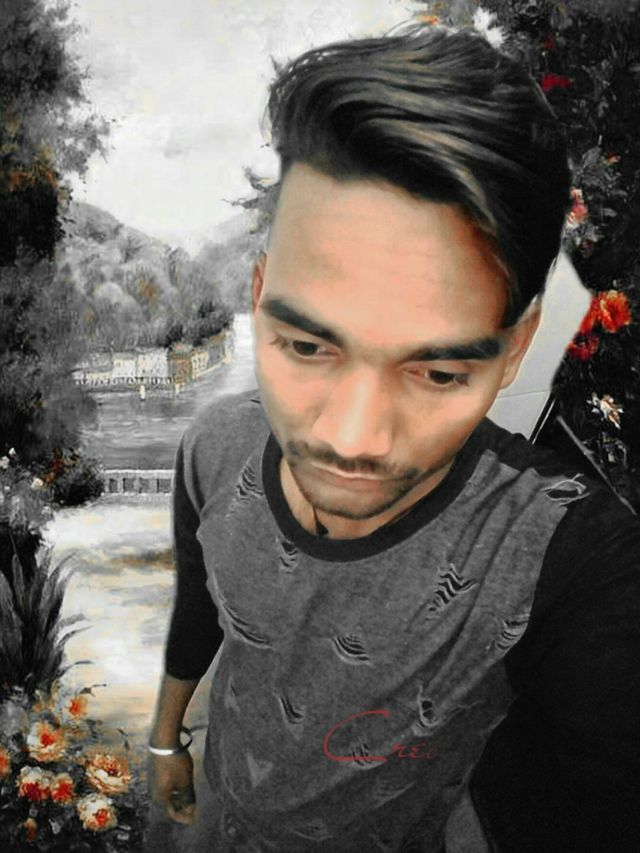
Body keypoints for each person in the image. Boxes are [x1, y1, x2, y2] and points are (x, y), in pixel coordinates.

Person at [147, 22, 640, 853]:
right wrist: (167, 739)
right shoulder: (214, 446)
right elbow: (203, 608)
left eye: (437, 372)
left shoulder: (564, 556)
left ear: (513, 348)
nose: (352, 439)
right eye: (306, 346)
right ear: (260, 298)